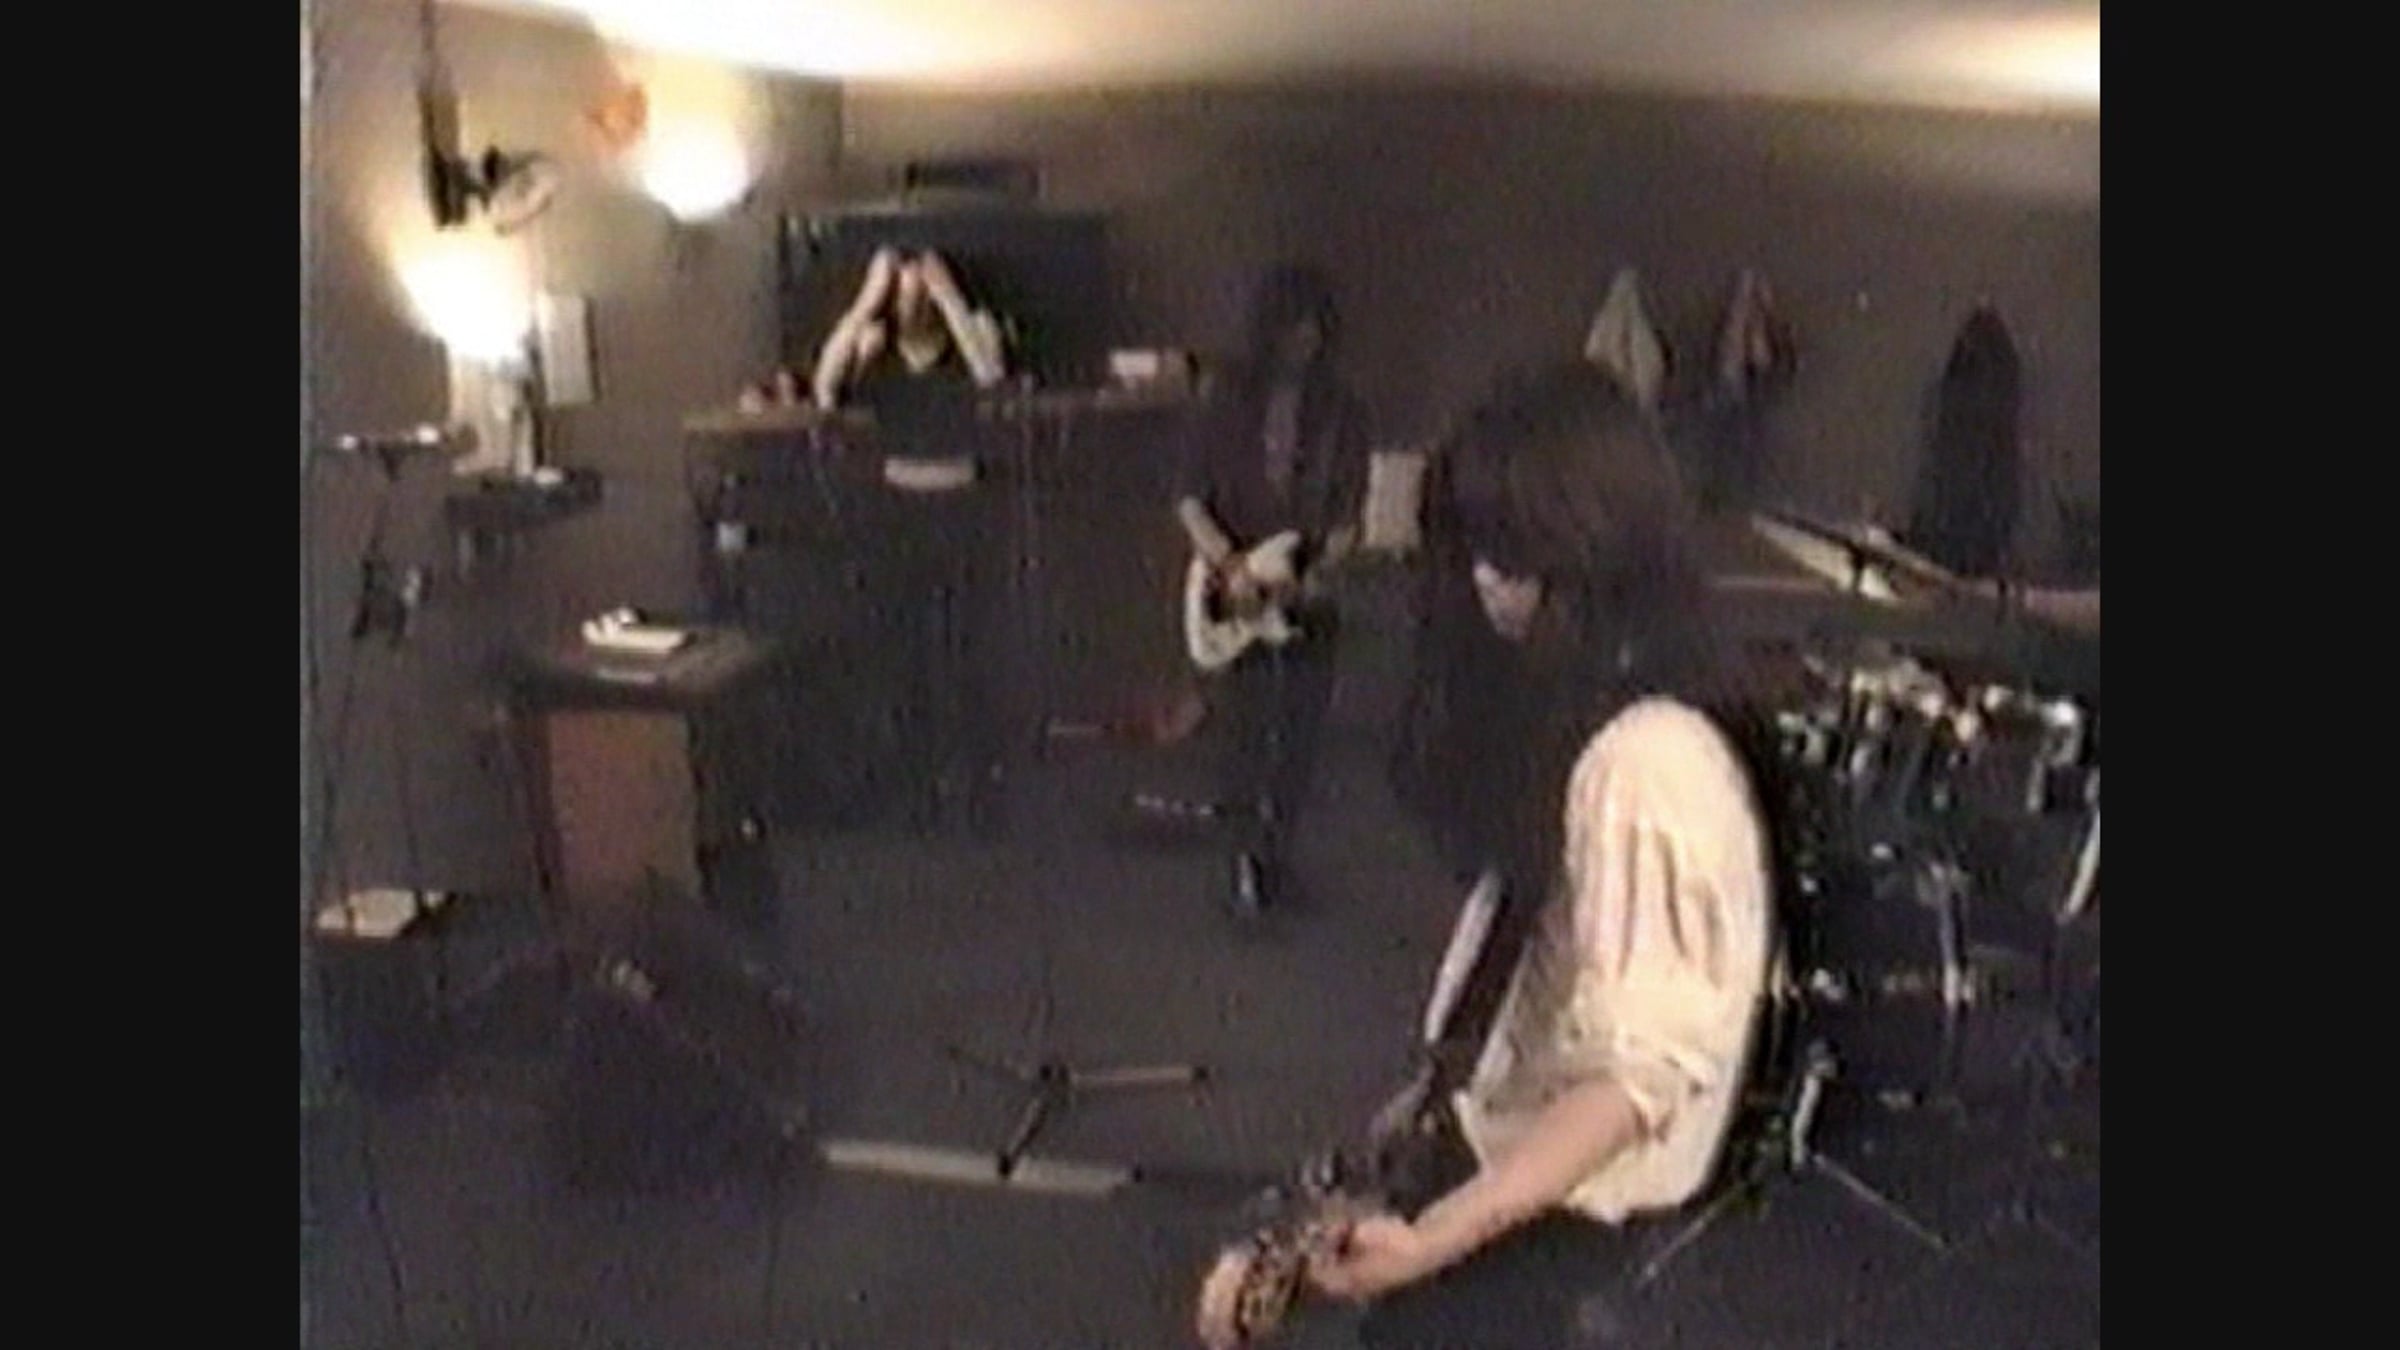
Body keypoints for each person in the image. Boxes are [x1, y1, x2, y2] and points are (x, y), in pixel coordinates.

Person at [1324, 364, 1778, 1346]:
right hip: (1512, 1174)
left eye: (1507, 552)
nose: (1482, 581)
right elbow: (1531, 951)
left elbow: (1635, 1079)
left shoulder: (1645, 762)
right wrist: (1441, 1097)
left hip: (1559, 1233)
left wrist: (1435, 1238)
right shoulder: (1591, 724)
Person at [1173, 264, 1371, 915]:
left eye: (1313, 329)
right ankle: (1240, 858)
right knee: (1244, 729)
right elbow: (1188, 496)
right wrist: (1231, 566)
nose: (1302, 342)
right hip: (1235, 582)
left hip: (1306, 591)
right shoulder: (1224, 399)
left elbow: (1348, 518)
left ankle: (1276, 856)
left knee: (1301, 731)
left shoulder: (1343, 415)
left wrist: (1313, 572)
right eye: (1292, 327)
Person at [811, 247, 1011, 834]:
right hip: (899, 514)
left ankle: (970, 790)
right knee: (905, 654)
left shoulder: (971, 336)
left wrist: (948, 295)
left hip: (960, 510)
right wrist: (866, 300)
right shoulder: (876, 348)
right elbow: (825, 386)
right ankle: (914, 787)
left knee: (963, 650)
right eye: (903, 290)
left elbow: (991, 376)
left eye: (917, 288)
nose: (912, 298)